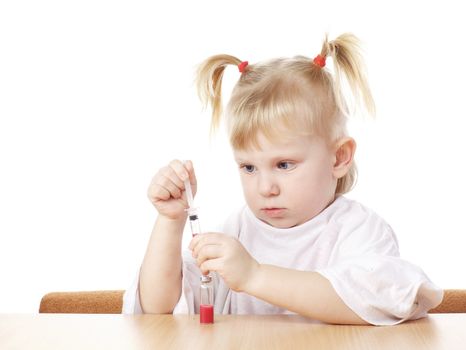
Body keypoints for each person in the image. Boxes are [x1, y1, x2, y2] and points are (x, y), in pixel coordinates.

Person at [122, 33, 443, 325]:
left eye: (285, 164)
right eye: (248, 168)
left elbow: (378, 300)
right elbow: (157, 310)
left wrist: (255, 276)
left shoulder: (357, 230)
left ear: (339, 157)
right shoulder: (236, 231)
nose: (265, 188)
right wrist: (170, 221)